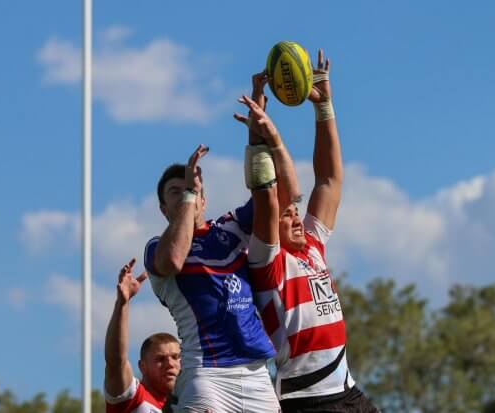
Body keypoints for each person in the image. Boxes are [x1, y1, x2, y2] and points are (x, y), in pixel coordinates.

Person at [238, 49, 380, 412]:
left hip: (347, 389)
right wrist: (262, 133)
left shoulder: (313, 245)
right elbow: (266, 195)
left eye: (296, 211)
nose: (296, 217)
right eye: (287, 215)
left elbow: (330, 181)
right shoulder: (267, 264)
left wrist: (325, 108)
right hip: (307, 399)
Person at [143, 137, 295, 411]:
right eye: (175, 192)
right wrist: (189, 193)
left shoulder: (230, 226)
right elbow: (174, 260)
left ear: (204, 199)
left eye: (190, 190)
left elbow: (283, 194)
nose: (185, 195)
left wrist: (265, 138)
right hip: (206, 375)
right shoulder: (157, 247)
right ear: (163, 209)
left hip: (256, 373)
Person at [104, 258, 181, 413]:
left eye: (175, 357)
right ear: (142, 367)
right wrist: (122, 303)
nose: (170, 364)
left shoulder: (187, 405)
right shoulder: (133, 397)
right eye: (160, 359)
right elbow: (116, 362)